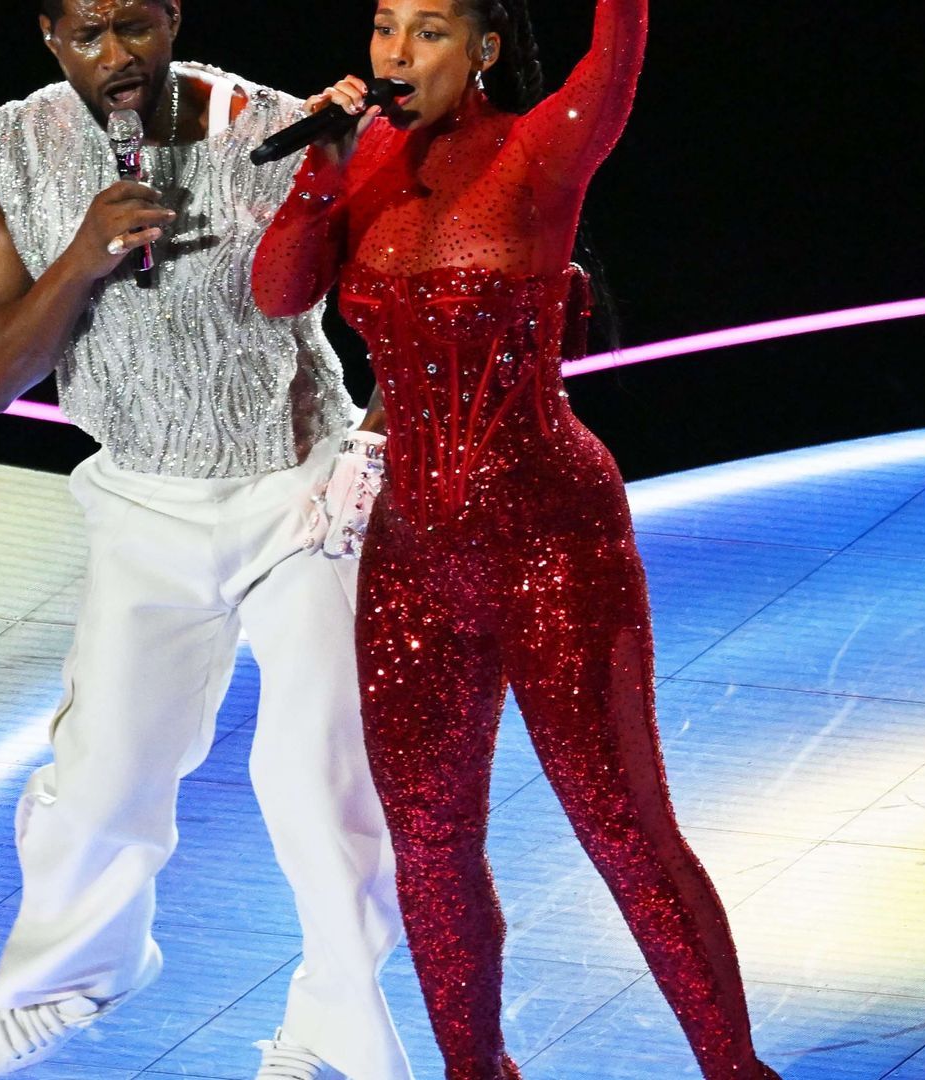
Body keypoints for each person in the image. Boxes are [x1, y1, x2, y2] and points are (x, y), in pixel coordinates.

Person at [252, 1, 783, 1077]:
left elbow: (620, 48)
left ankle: (737, 1070)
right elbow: (278, 292)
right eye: (384, 25)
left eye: (430, 32)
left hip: (556, 547)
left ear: (484, 49)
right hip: (410, 560)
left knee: (623, 830)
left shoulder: (541, 148)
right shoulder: (368, 162)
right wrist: (319, 169)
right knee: (433, 844)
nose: (396, 54)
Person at [0, 2, 411, 1077]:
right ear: (50, 36)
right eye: (89, 35)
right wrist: (82, 256)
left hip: (294, 489)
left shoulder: (274, 126)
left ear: (171, 18)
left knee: (321, 773)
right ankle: (78, 972)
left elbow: (417, 304)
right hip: (142, 499)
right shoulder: (10, 148)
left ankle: (329, 1027)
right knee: (104, 776)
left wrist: (369, 456)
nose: (118, 57)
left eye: (136, 26)